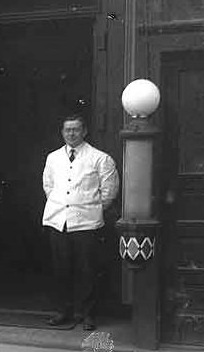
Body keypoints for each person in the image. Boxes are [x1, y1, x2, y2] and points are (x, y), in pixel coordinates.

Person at [42, 114, 119, 331]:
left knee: (87, 269)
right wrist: (64, 206)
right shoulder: (53, 158)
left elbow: (109, 191)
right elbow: (48, 185)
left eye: (76, 130)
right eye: (67, 130)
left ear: (84, 131)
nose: (71, 134)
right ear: (62, 132)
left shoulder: (100, 158)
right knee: (60, 268)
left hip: (87, 223)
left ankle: (86, 314)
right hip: (58, 221)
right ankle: (61, 311)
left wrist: (87, 208)